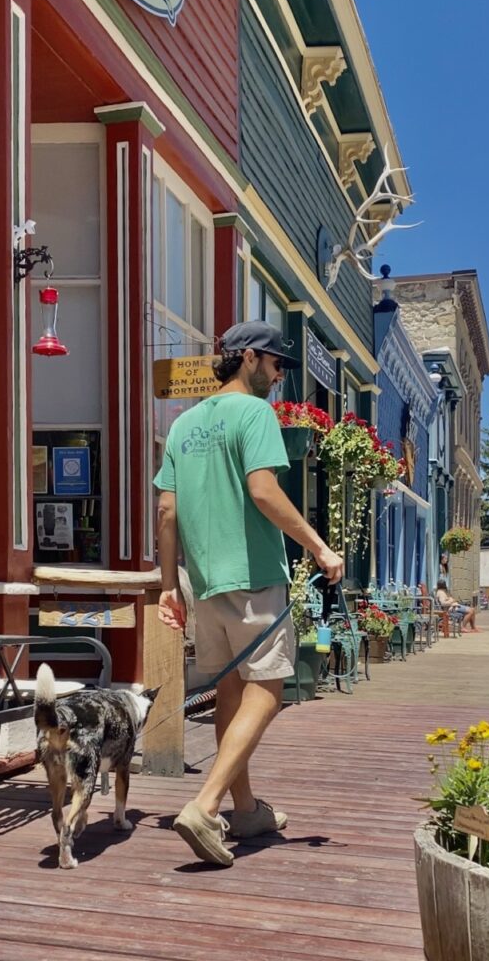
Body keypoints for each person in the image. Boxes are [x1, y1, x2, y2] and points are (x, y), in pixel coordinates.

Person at [154, 320, 344, 867]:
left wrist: (170, 586)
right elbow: (263, 491)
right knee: (269, 689)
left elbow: (167, 510)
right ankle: (206, 804)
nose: (281, 374)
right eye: (277, 363)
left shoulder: (185, 425)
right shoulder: (255, 414)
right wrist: (319, 547)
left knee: (231, 693)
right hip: (256, 577)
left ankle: (245, 809)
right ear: (250, 359)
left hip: (206, 585)